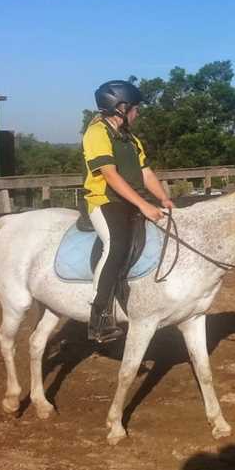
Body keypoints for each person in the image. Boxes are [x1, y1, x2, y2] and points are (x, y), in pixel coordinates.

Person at [82, 80, 173, 342]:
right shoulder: (97, 133)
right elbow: (109, 175)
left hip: (131, 201)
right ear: (120, 107)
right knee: (117, 245)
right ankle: (99, 317)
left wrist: (163, 198)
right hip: (104, 201)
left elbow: (145, 172)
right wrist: (144, 205)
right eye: (135, 108)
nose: (137, 112)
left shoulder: (130, 139)